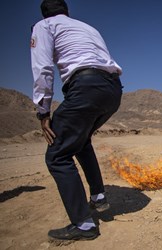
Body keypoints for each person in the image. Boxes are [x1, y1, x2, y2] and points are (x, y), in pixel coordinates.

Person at [31, 0, 123, 241]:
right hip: (113, 90)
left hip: (86, 86)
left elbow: (42, 68)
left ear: (44, 14)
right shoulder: (87, 27)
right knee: (81, 142)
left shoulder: (44, 26)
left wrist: (43, 111)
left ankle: (83, 225)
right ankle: (98, 197)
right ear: (66, 11)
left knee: (57, 155)